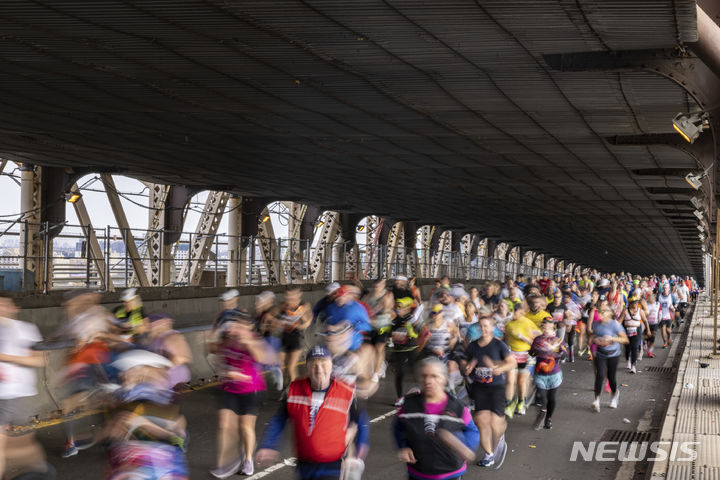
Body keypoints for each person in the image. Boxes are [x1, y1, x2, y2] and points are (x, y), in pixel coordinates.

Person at [256, 346, 369, 480]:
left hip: (332, 464)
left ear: (331, 366)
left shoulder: (347, 393)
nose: (319, 370)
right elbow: (279, 420)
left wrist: (359, 451)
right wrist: (268, 445)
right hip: (304, 464)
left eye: (323, 364)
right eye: (314, 365)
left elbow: (361, 420)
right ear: (307, 368)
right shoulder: (293, 390)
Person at [393, 357, 479, 480]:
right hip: (418, 472)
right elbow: (398, 427)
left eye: (434, 376)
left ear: (443, 379)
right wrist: (403, 446)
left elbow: (472, 430)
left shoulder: (458, 407)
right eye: (424, 376)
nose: (428, 381)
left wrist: (467, 447)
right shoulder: (408, 406)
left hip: (451, 473)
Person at [211, 314, 273, 478]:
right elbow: (219, 357)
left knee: (245, 426)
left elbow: (261, 358)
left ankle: (247, 459)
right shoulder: (228, 340)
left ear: (249, 327)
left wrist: (248, 342)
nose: (236, 328)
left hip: (251, 390)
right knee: (224, 423)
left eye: (241, 325)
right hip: (230, 388)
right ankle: (225, 463)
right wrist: (227, 372)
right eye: (235, 324)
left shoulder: (253, 340)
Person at [0, 298, 46, 479]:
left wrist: (7, 357)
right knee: (10, 445)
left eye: (4, 304)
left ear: (14, 308)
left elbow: (40, 360)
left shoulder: (25, 329)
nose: (1, 308)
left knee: (19, 445)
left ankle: (37, 466)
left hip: (18, 394)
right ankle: (37, 467)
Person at [465, 316, 515, 468]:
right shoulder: (473, 345)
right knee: (481, 420)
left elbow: (511, 362)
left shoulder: (499, 345)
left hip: (496, 388)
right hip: (479, 388)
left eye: (487, 326)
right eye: (482, 326)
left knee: (495, 422)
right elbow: (472, 360)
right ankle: (489, 455)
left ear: (492, 327)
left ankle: (500, 438)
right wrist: (469, 367)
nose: (484, 329)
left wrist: (499, 369)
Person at [529, 317, 568, 430]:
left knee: (552, 398)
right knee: (542, 397)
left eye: (547, 324)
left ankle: (548, 419)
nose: (545, 326)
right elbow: (531, 352)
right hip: (539, 373)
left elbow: (564, 354)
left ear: (552, 326)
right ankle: (543, 411)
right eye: (543, 324)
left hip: (554, 374)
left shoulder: (558, 340)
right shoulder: (537, 339)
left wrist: (553, 352)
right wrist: (537, 351)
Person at [503, 306, 541, 417]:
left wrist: (522, 337)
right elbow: (505, 338)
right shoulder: (508, 323)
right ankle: (509, 404)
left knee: (521, 381)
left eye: (516, 311)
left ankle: (521, 402)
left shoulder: (528, 323)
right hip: (512, 355)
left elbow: (536, 342)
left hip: (526, 355)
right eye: (513, 311)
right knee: (510, 381)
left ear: (522, 313)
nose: (513, 313)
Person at [590, 307, 629, 412]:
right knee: (600, 375)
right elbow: (592, 336)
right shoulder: (596, 324)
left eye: (604, 311)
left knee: (611, 378)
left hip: (613, 354)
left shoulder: (614, 324)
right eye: (599, 311)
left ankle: (614, 396)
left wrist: (612, 338)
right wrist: (595, 340)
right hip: (600, 354)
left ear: (610, 313)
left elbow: (625, 339)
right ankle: (596, 400)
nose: (601, 313)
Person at [277, 288, 312, 384]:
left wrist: (298, 324)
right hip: (283, 338)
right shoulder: (282, 306)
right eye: (287, 296)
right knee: (281, 367)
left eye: (292, 296)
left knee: (291, 368)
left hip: (296, 339)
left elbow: (307, 323)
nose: (289, 298)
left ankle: (293, 388)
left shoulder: (303, 307)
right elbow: (272, 317)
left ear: (298, 295)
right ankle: (285, 387)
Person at [390, 297, 421, 406]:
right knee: (399, 373)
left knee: (416, 371)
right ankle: (399, 397)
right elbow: (391, 334)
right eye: (396, 307)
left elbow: (417, 334)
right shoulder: (394, 320)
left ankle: (420, 392)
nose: (398, 309)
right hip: (399, 350)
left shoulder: (412, 319)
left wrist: (411, 331)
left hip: (411, 349)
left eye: (400, 307)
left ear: (407, 308)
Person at [363, 279, 394, 382]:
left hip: (383, 325)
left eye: (379, 286)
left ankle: (375, 373)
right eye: (375, 287)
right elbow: (362, 306)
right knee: (370, 349)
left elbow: (387, 308)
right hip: (371, 326)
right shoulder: (368, 296)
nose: (377, 289)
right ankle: (381, 364)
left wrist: (382, 307)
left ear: (383, 286)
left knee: (379, 348)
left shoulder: (387, 295)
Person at [620, 299, 649, 374]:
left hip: (637, 330)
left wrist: (648, 330)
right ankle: (628, 360)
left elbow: (645, 321)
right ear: (630, 304)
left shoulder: (640, 311)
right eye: (633, 303)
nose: (635, 304)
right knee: (627, 347)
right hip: (626, 330)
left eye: (636, 303)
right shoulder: (625, 311)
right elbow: (619, 321)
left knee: (634, 347)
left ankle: (633, 366)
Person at [658, 283, 675, 348]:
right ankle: (664, 342)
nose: (665, 289)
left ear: (668, 289)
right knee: (663, 329)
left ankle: (669, 337)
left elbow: (675, 304)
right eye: (664, 288)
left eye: (666, 288)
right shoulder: (659, 296)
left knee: (668, 330)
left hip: (669, 315)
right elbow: (657, 304)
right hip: (662, 315)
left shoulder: (671, 296)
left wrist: (673, 308)